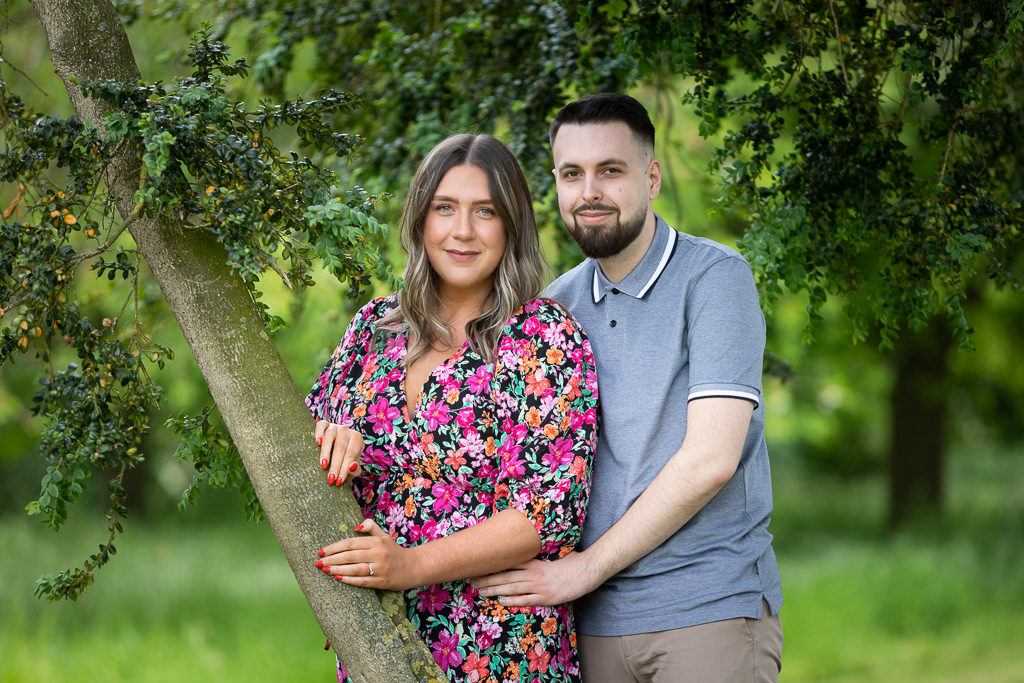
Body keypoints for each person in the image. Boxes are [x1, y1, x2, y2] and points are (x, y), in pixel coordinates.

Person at [471, 93, 784, 682]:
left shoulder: (715, 279)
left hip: (705, 611)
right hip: (587, 627)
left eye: (610, 170)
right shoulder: (553, 309)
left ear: (652, 176)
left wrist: (582, 571)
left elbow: (711, 461)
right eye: (572, 174)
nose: (590, 190)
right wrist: (353, 428)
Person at [305, 133, 599, 683]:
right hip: (378, 633)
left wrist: (411, 566)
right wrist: (329, 433)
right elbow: (305, 438)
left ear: (511, 226)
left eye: (484, 212)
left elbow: (546, 513)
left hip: (500, 645)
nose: (462, 231)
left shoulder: (542, 337)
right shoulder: (375, 327)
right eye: (445, 208)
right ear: (420, 219)